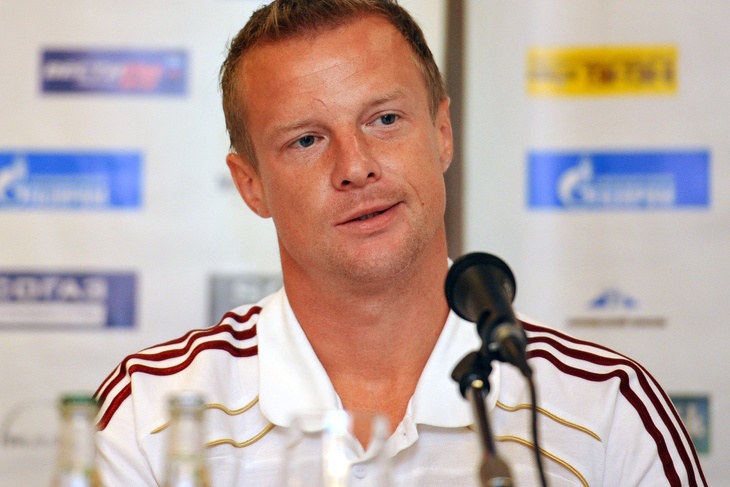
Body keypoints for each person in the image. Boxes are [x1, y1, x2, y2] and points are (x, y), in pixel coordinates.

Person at [94, 1, 707, 485]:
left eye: (385, 119)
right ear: (251, 185)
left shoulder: (606, 409)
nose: (355, 166)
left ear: (442, 133)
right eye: (306, 140)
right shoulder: (151, 415)